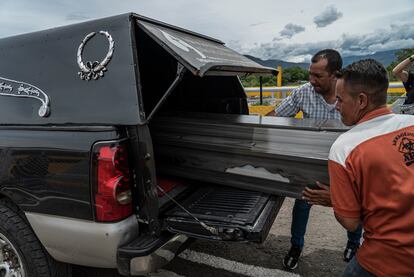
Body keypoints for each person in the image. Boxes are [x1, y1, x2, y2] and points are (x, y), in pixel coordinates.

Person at [273, 49, 362, 270]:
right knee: (302, 204)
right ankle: (296, 246)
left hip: (346, 165)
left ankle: (353, 244)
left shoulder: (353, 95)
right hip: (313, 165)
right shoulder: (303, 92)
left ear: (335, 75)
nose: (312, 81)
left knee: (352, 207)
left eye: (318, 76)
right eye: (310, 74)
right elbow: (276, 118)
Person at [328, 59, 414, 276]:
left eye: (339, 99)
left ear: (361, 101)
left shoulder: (345, 147)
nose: (336, 106)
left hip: (388, 260)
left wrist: (334, 199)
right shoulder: (411, 123)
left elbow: (350, 221)